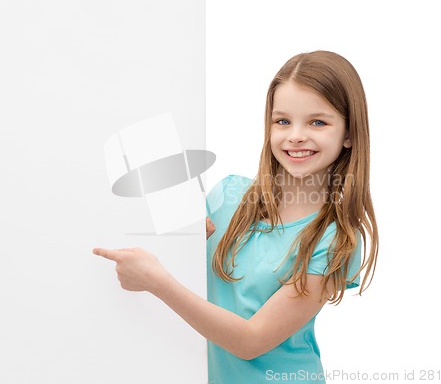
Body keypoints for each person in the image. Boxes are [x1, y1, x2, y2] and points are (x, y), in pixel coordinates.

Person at [93, 50, 379, 383]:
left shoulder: (335, 238)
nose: (296, 135)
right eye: (282, 120)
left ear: (348, 134)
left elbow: (251, 340)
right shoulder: (227, 195)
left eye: (317, 122)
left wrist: (156, 282)